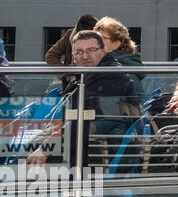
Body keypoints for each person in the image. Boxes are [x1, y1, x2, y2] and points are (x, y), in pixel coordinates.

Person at [28, 30, 142, 169]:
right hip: (86, 147)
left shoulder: (110, 76)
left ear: (104, 50)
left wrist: (49, 146)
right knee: (27, 146)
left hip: (98, 155)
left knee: (24, 164)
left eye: (91, 50)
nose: (85, 56)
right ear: (73, 55)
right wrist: (52, 133)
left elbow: (103, 122)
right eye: (79, 52)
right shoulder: (89, 75)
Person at [93, 17, 144, 82]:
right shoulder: (123, 64)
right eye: (95, 37)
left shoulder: (118, 70)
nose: (95, 41)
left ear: (116, 43)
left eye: (102, 38)